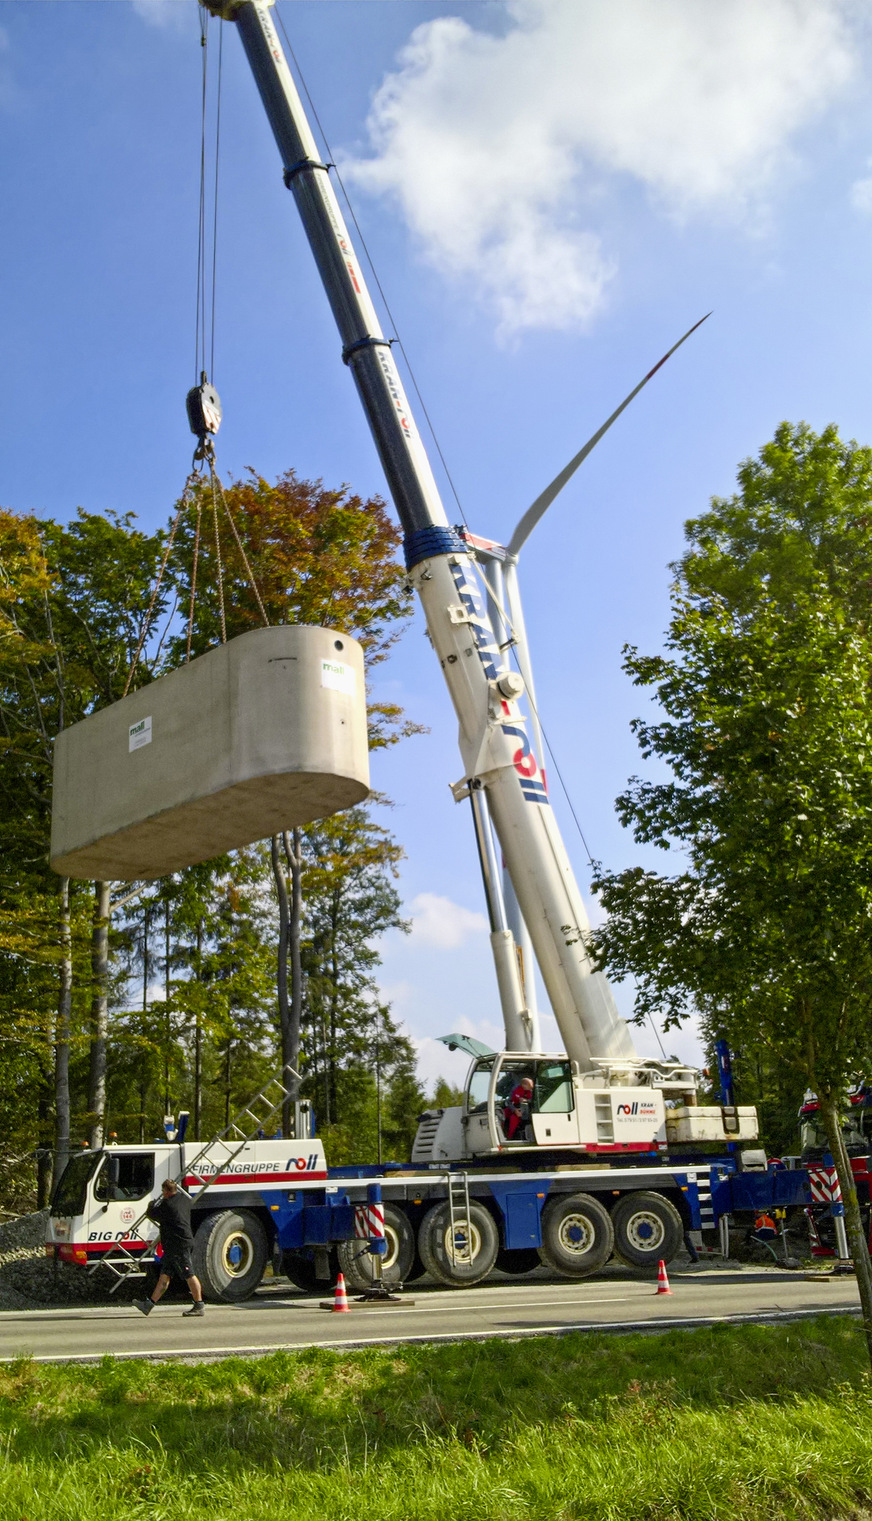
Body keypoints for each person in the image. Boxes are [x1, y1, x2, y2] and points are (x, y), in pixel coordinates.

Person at [134, 1178, 205, 1317]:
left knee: (189, 1274)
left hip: (179, 1246)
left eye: (163, 1191)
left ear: (166, 1191)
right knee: (164, 1276)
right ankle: (148, 1305)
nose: (163, 1194)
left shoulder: (167, 1205)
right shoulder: (185, 1200)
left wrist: (152, 1204)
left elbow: (152, 1213)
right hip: (175, 1246)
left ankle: (199, 1305)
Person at [504, 1076, 535, 1140]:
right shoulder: (516, 1090)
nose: (531, 1087)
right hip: (516, 1108)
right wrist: (514, 1110)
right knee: (502, 1113)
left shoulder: (533, 1092)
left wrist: (527, 1101)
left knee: (514, 1119)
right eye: (529, 1085)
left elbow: (535, 1101)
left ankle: (510, 1137)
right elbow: (509, 1101)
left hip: (528, 1111)